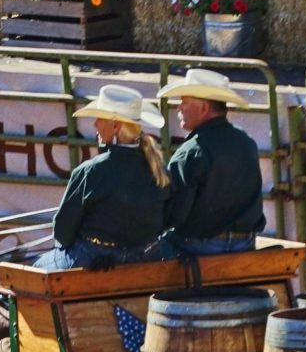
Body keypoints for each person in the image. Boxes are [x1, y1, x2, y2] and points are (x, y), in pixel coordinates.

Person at [33, 85, 169, 270]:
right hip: (145, 258)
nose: (94, 124)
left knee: (34, 270)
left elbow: (63, 232)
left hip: (94, 258)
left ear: (115, 126)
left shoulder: (91, 171)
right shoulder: (159, 170)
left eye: (100, 119)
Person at [156, 68, 264, 256]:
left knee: (153, 247)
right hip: (245, 243)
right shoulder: (247, 143)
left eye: (184, 102)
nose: (179, 108)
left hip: (201, 246)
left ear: (204, 108)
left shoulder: (191, 152)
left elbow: (175, 213)